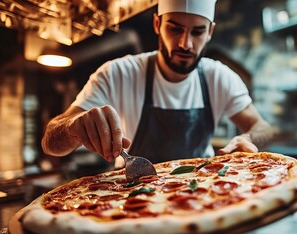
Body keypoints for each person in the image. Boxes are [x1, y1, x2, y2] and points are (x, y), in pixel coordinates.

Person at [41, 0, 273, 164]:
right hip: (130, 200)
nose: (186, 44)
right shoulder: (118, 73)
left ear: (210, 32)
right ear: (157, 25)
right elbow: (50, 143)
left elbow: (263, 128)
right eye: (175, 29)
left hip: (204, 193)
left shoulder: (219, 77)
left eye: (197, 32)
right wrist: (72, 128)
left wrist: (248, 139)